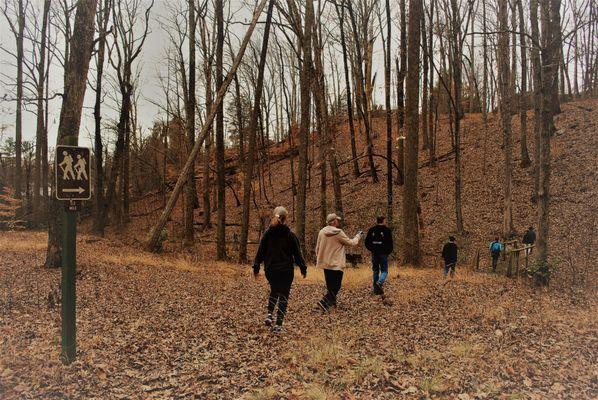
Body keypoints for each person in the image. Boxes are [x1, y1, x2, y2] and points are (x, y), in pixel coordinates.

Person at [253, 206, 306, 333]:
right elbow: (297, 254)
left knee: (274, 291)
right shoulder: (290, 234)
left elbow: (260, 252)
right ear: (285, 218)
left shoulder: (267, 233)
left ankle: (269, 315)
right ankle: (278, 325)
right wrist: (303, 268)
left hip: (271, 270)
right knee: (283, 296)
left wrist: (256, 267)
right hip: (286, 271)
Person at [315, 213, 362, 311]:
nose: (338, 221)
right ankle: (323, 302)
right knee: (336, 286)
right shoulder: (338, 232)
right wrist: (358, 236)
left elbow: (317, 248)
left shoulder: (321, 232)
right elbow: (351, 243)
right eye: (337, 220)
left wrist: (319, 257)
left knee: (330, 286)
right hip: (336, 264)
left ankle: (331, 305)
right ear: (334, 221)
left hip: (325, 263)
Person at [365, 216, 393, 295]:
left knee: (375, 270)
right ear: (383, 221)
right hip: (383, 254)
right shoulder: (387, 230)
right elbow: (390, 243)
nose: (385, 222)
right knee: (384, 271)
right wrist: (387, 252)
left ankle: (376, 289)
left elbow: (367, 242)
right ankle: (379, 283)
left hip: (375, 253)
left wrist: (372, 249)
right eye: (385, 220)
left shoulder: (372, 230)